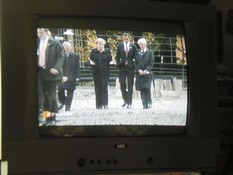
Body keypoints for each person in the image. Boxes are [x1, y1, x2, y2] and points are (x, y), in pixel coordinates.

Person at [37, 28, 65, 124]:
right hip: (39, 73)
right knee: (41, 95)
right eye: (38, 32)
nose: (39, 34)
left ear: (47, 33)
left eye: (41, 32)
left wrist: (56, 67)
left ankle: (52, 119)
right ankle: (46, 118)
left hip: (51, 72)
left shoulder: (55, 44)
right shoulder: (36, 43)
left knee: (51, 96)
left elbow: (61, 56)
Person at [115, 33, 137, 109]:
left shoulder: (133, 46)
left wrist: (133, 64)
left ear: (129, 38)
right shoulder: (120, 46)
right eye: (124, 38)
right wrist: (119, 64)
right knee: (122, 84)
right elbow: (117, 57)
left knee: (130, 85)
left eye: (127, 38)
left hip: (130, 68)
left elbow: (136, 57)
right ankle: (125, 100)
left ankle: (129, 102)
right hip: (122, 67)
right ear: (122, 38)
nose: (126, 39)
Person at [58, 41, 81, 111]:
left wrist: (78, 77)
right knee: (60, 91)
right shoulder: (59, 55)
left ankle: (68, 107)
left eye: (69, 47)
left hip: (72, 77)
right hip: (62, 77)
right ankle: (64, 101)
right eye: (66, 47)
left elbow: (77, 67)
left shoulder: (75, 56)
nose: (68, 49)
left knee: (70, 92)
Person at [90, 38, 112, 109]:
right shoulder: (93, 51)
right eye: (99, 44)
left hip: (105, 73)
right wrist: (92, 64)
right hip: (96, 73)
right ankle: (98, 105)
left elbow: (110, 61)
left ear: (104, 45)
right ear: (96, 44)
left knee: (104, 88)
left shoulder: (107, 51)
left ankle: (105, 104)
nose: (100, 46)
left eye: (102, 44)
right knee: (97, 88)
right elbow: (91, 61)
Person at [134, 38, 154, 109]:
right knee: (142, 89)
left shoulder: (150, 52)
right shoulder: (137, 52)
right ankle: (144, 104)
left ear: (145, 44)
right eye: (140, 44)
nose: (141, 46)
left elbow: (151, 63)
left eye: (142, 44)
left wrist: (146, 70)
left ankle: (149, 103)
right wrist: (139, 70)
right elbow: (135, 63)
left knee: (147, 89)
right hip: (139, 74)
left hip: (147, 74)